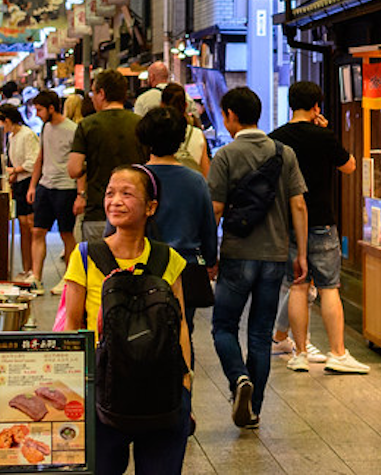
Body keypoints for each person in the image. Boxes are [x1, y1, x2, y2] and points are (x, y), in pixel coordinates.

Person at [63, 165, 192, 474]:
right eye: (110, 193)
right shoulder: (84, 256)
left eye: (126, 194)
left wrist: (186, 386)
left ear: (151, 207)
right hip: (103, 389)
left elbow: (182, 324)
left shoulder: (167, 258)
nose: (115, 201)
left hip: (161, 390)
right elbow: (72, 326)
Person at [208, 87, 308, 429]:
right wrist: (302, 253)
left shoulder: (225, 155)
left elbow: (216, 210)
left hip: (237, 254)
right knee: (260, 334)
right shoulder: (285, 153)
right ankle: (253, 411)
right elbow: (298, 205)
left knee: (223, 326)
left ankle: (238, 379)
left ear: (231, 115)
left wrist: (210, 255)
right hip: (274, 256)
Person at [269, 81, 367, 374]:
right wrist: (327, 132)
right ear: (316, 107)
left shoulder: (276, 138)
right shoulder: (323, 136)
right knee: (328, 287)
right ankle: (337, 353)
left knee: (297, 284)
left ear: (291, 104)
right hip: (322, 221)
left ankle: (299, 353)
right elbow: (349, 166)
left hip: (289, 223)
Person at [140, 106, 218, 339]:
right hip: (186, 267)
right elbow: (208, 226)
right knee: (183, 329)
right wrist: (211, 260)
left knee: (147, 331)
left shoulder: (137, 178)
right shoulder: (195, 180)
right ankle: (184, 374)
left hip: (144, 266)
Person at [68, 70, 144, 245]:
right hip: (135, 212)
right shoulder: (140, 123)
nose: (93, 98)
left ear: (101, 93)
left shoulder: (87, 125)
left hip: (98, 209)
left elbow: (74, 169)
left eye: (94, 93)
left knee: (98, 267)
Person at [27, 89, 78, 293]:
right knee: (38, 231)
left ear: (51, 108)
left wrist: (81, 193)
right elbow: (41, 157)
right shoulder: (46, 128)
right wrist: (33, 185)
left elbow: (79, 163)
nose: (37, 114)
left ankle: (68, 279)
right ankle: (36, 277)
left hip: (66, 188)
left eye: (39, 110)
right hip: (45, 187)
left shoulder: (72, 129)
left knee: (67, 234)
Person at [0, 103, 40, 282]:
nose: (0, 127)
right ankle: (26, 268)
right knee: (23, 226)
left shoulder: (27, 135)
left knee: (30, 225)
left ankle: (33, 270)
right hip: (19, 183)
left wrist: (14, 170)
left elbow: (33, 161)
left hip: (29, 182)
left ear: (8, 120)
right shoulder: (12, 136)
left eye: (0, 123)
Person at [162, 83, 210, 177]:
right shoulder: (197, 134)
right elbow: (206, 172)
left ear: (161, 105)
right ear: (185, 105)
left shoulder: (156, 133)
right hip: (191, 186)